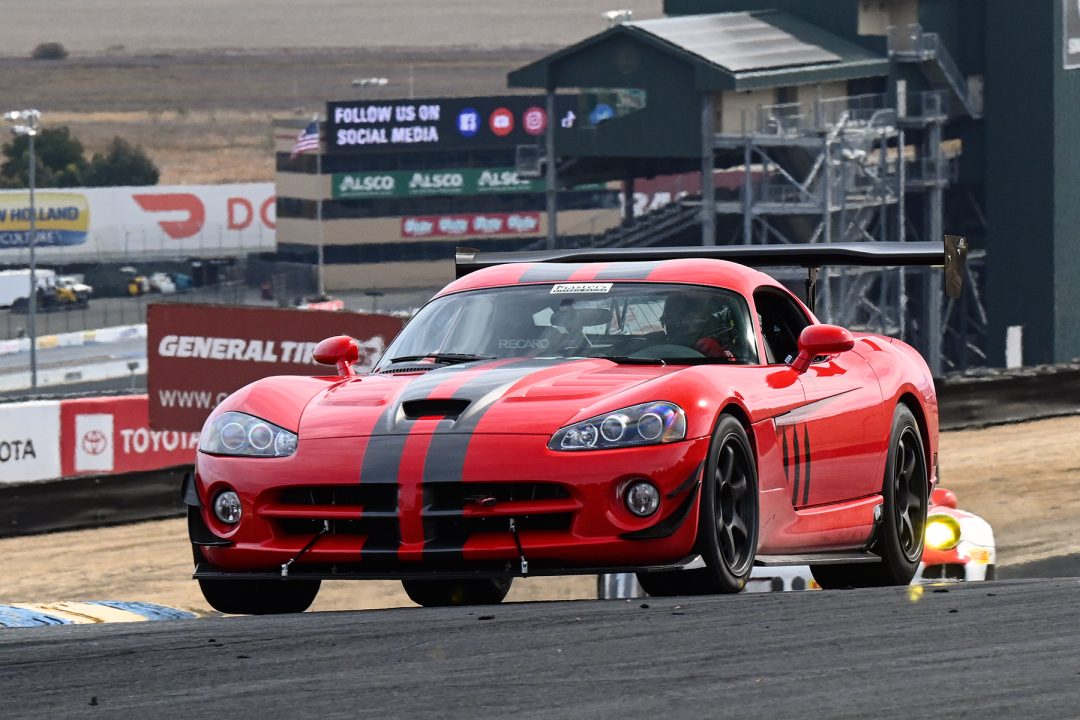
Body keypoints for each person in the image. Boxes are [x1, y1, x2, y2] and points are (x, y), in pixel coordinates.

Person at [660, 292, 739, 359]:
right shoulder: (656, 346)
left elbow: (740, 359)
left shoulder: (719, 331)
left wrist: (721, 353)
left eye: (679, 319)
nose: (672, 323)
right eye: (668, 318)